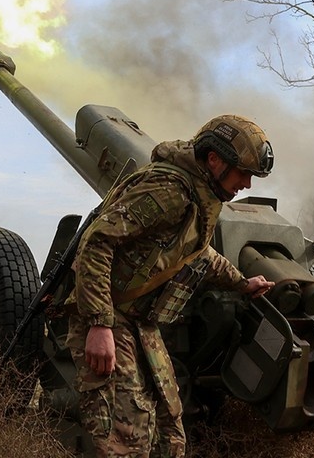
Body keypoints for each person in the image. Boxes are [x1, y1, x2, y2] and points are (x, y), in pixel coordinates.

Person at [65, 114, 276, 458]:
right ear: (214, 160)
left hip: (142, 325)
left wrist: (242, 283)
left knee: (170, 435)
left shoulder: (201, 197)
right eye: (244, 173)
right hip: (112, 316)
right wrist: (99, 325)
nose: (247, 185)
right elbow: (97, 242)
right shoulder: (170, 192)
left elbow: (197, 254)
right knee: (127, 439)